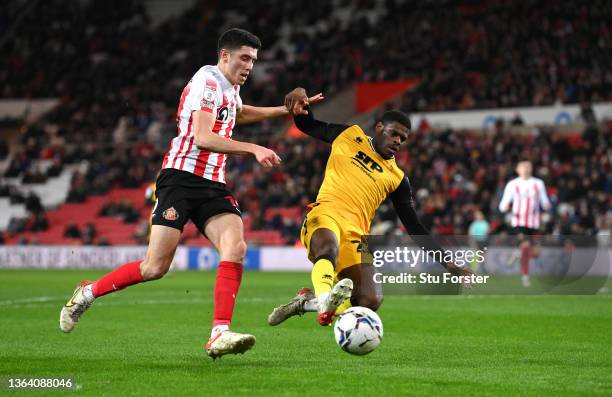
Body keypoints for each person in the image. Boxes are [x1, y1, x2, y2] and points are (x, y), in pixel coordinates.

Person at [59, 28, 315, 359]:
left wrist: (284, 111)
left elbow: (237, 112)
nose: (250, 65)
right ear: (225, 55)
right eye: (244, 58)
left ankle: (219, 333)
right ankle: (88, 292)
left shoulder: (228, 86)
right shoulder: (207, 82)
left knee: (235, 247)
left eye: (253, 59)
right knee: (154, 267)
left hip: (212, 184)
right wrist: (253, 148)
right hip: (179, 179)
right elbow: (203, 137)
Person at [268, 88, 474, 327]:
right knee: (328, 250)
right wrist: (299, 100)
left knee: (370, 298)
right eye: (394, 134)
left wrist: (448, 263)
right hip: (326, 212)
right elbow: (308, 125)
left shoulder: (397, 178)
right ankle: (324, 300)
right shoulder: (349, 135)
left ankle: (307, 301)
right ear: (379, 128)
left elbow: (414, 226)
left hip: (358, 234)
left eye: (403, 139)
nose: (398, 141)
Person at [499, 160, 551, 287]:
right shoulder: (513, 184)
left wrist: (547, 205)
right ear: (518, 169)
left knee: (535, 253)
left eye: (528, 167)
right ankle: (525, 277)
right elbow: (502, 204)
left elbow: (545, 201)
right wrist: (505, 207)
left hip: (534, 222)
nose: (526, 169)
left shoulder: (538, 183)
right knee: (525, 247)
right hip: (519, 221)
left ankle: (517, 254)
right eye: (523, 167)